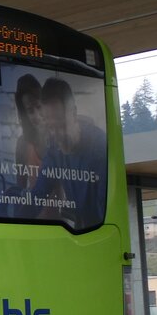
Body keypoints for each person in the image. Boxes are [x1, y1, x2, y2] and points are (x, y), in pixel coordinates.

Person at [37, 77, 107, 228]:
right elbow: (37, 194)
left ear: (74, 114)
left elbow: (104, 215)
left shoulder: (101, 150)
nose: (56, 135)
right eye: (50, 127)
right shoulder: (53, 151)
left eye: (61, 126)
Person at [13, 74, 45, 190]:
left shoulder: (59, 136)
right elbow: (20, 187)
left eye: (39, 106)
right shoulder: (22, 144)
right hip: (35, 208)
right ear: (24, 114)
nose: (37, 115)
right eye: (30, 111)